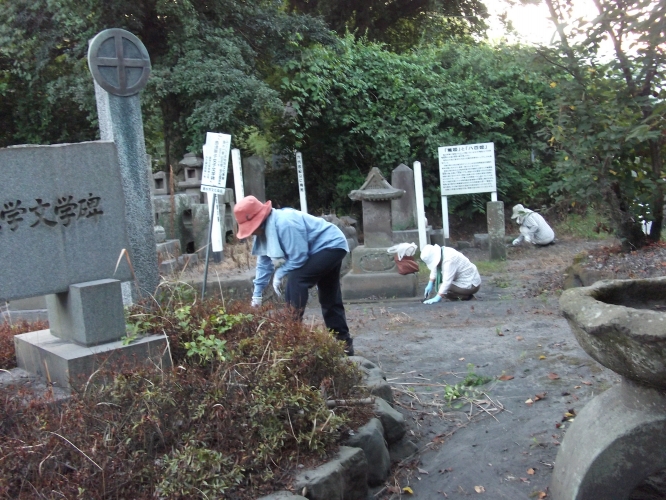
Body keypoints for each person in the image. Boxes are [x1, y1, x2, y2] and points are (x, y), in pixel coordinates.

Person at [233, 196, 354, 355]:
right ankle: (344, 345)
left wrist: (280, 273)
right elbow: (264, 263)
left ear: (259, 219)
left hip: (331, 245)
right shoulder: (263, 232)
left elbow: (299, 258)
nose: (250, 233)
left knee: (297, 279)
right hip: (320, 249)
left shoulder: (285, 223)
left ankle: (291, 333)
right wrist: (257, 296)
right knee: (329, 298)